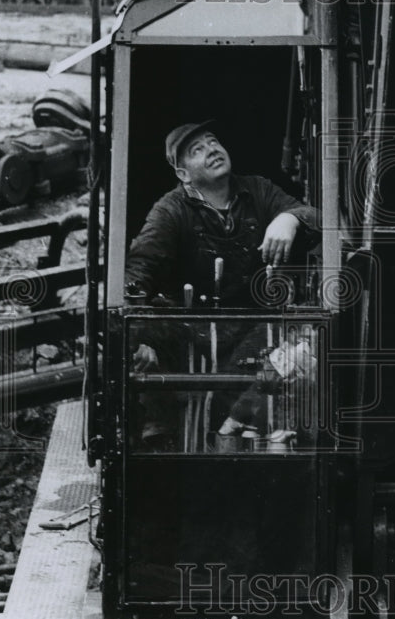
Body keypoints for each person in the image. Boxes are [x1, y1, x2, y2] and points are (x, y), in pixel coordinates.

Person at [125, 120, 320, 449]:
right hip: (190, 328)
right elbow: (138, 271)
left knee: (292, 336)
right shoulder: (170, 210)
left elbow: (317, 215)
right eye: (197, 150)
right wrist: (137, 337)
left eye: (213, 142)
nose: (211, 150)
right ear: (183, 174)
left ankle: (234, 436)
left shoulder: (257, 189)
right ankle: (168, 437)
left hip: (251, 325)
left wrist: (289, 219)